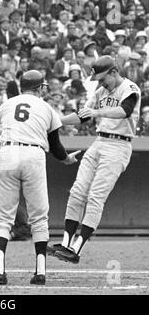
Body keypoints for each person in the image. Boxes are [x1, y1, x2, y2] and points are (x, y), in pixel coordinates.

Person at [47, 55, 141, 264]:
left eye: (102, 78)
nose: (100, 83)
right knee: (77, 191)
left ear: (114, 72)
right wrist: (56, 121)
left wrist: (97, 112)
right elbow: (82, 116)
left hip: (119, 145)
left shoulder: (130, 88)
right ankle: (65, 243)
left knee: (96, 197)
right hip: (99, 141)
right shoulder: (100, 91)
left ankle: (76, 249)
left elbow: (124, 111)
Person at [0, 70, 81, 286]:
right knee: (39, 218)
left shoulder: (6, 105)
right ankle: (40, 272)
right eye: (43, 87)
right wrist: (66, 159)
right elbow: (56, 145)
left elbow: (1, 131)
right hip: (33, 154)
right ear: (40, 87)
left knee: (3, 218)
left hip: (7, 152)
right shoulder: (46, 107)